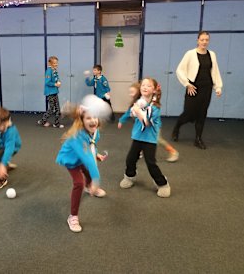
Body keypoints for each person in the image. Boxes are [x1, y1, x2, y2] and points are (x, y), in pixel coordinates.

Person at [56, 104, 108, 233]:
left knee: (88, 173)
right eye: (88, 118)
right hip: (71, 160)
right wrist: (97, 179)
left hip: (82, 157)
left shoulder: (95, 132)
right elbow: (87, 159)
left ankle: (90, 186)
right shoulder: (77, 137)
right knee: (79, 183)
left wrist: (96, 154)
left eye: (95, 117)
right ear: (81, 121)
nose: (93, 120)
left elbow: (92, 146)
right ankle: (73, 216)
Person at [119, 78, 171, 198]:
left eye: (148, 85)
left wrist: (137, 111)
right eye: (143, 85)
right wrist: (123, 118)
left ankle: (163, 184)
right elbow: (130, 112)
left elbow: (146, 122)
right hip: (137, 137)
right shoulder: (139, 102)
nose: (145, 87)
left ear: (154, 90)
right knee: (130, 159)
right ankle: (130, 176)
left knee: (150, 163)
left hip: (150, 139)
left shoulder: (155, 108)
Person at [172, 31, 223, 149]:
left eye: (207, 40)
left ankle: (198, 139)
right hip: (193, 88)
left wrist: (218, 87)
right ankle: (177, 128)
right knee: (188, 114)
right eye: (202, 40)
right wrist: (187, 84)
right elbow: (179, 70)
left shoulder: (212, 54)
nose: (204, 42)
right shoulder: (190, 54)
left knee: (202, 114)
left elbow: (215, 71)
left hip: (207, 88)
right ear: (197, 40)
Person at [118, 82, 179, 162]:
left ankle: (173, 151)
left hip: (153, 126)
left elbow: (152, 115)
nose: (130, 94)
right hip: (142, 125)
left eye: (133, 92)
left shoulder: (146, 102)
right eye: (130, 92)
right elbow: (129, 112)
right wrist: (121, 120)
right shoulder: (138, 102)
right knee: (140, 137)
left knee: (158, 140)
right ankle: (139, 150)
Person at [0, 108, 22, 190]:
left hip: (12, 148)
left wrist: (2, 165)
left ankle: (2, 180)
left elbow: (9, 149)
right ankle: (6, 165)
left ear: (8, 121)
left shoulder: (10, 131)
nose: (1, 128)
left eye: (3, 125)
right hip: (2, 144)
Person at [37, 56, 64, 128]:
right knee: (52, 109)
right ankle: (43, 121)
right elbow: (47, 82)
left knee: (58, 108)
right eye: (54, 63)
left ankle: (56, 123)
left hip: (55, 91)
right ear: (50, 63)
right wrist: (55, 84)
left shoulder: (54, 70)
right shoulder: (49, 71)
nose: (56, 64)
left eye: (56, 63)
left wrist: (58, 82)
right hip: (50, 92)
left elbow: (56, 79)